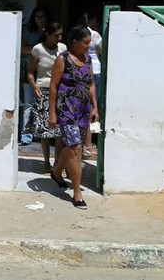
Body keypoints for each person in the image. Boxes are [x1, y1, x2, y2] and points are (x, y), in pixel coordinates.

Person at [48, 25, 99, 210]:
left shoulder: (88, 60)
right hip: (66, 109)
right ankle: (77, 194)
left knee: (71, 148)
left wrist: (95, 106)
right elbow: (53, 87)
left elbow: (91, 83)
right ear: (75, 42)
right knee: (76, 149)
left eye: (89, 43)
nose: (88, 46)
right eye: (85, 43)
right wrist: (51, 113)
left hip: (83, 111)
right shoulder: (63, 60)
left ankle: (56, 172)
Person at [25, 22, 66, 174]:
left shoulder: (63, 49)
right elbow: (30, 72)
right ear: (48, 34)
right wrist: (34, 86)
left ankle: (58, 162)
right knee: (45, 131)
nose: (59, 38)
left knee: (60, 131)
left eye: (60, 34)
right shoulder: (38, 49)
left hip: (60, 91)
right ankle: (46, 162)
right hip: (43, 91)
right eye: (56, 35)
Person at [19, 6, 52, 145]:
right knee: (28, 105)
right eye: (38, 17)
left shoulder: (51, 32)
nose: (41, 20)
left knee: (47, 105)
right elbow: (21, 49)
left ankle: (44, 136)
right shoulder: (28, 31)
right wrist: (39, 50)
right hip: (29, 72)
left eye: (43, 16)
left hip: (47, 74)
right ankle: (26, 137)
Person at [77, 11, 102, 159]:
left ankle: (85, 143)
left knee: (83, 107)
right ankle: (90, 144)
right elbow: (103, 51)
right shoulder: (95, 35)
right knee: (93, 108)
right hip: (96, 73)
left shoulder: (77, 34)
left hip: (81, 72)